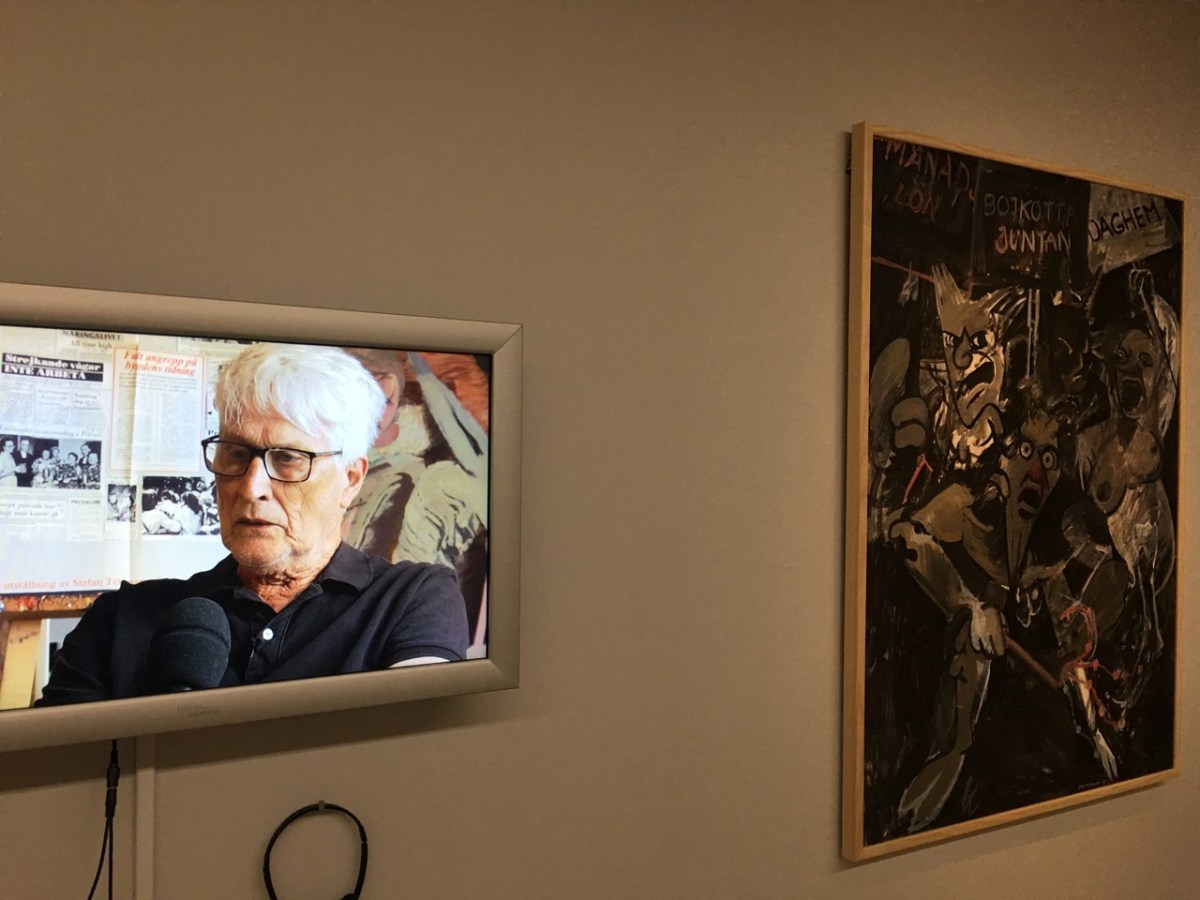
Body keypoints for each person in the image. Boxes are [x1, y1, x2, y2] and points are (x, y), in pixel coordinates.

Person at [38, 342, 469, 705]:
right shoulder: (122, 619)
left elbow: (416, 754)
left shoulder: (411, 598)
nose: (250, 487)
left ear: (351, 479)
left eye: (288, 458)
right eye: (236, 454)